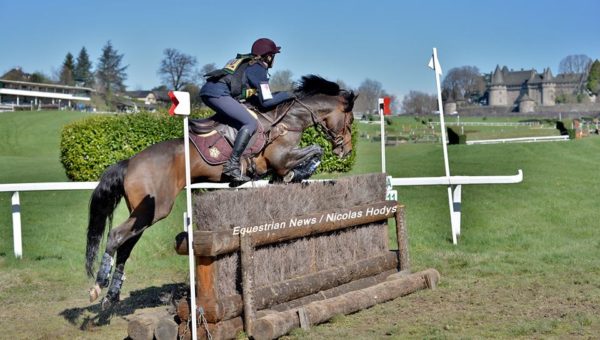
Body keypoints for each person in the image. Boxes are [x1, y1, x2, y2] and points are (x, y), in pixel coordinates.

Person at [200, 38, 292, 183]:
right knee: (250, 123)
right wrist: (289, 94)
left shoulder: (248, 62)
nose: (273, 59)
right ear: (268, 56)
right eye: (273, 55)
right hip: (218, 93)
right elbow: (266, 101)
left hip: (211, 90)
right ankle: (232, 165)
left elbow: (255, 98)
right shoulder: (258, 68)